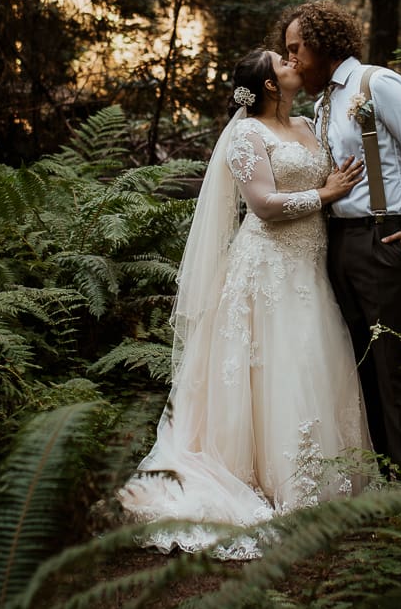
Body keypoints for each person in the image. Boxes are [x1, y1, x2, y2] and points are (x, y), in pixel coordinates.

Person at [118, 48, 374, 556]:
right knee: (276, 368)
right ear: (270, 84)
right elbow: (263, 205)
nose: (293, 60)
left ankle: (328, 481)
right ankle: (269, 481)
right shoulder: (246, 134)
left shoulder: (307, 122)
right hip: (268, 268)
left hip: (310, 267)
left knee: (312, 365)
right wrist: (327, 194)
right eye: (283, 60)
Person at [282, 0, 401, 483]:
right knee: (359, 363)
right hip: (338, 242)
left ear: (322, 44)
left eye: (296, 51)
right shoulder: (322, 102)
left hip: (385, 236)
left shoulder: (377, 83)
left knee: (394, 364)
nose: (291, 61)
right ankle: (382, 474)